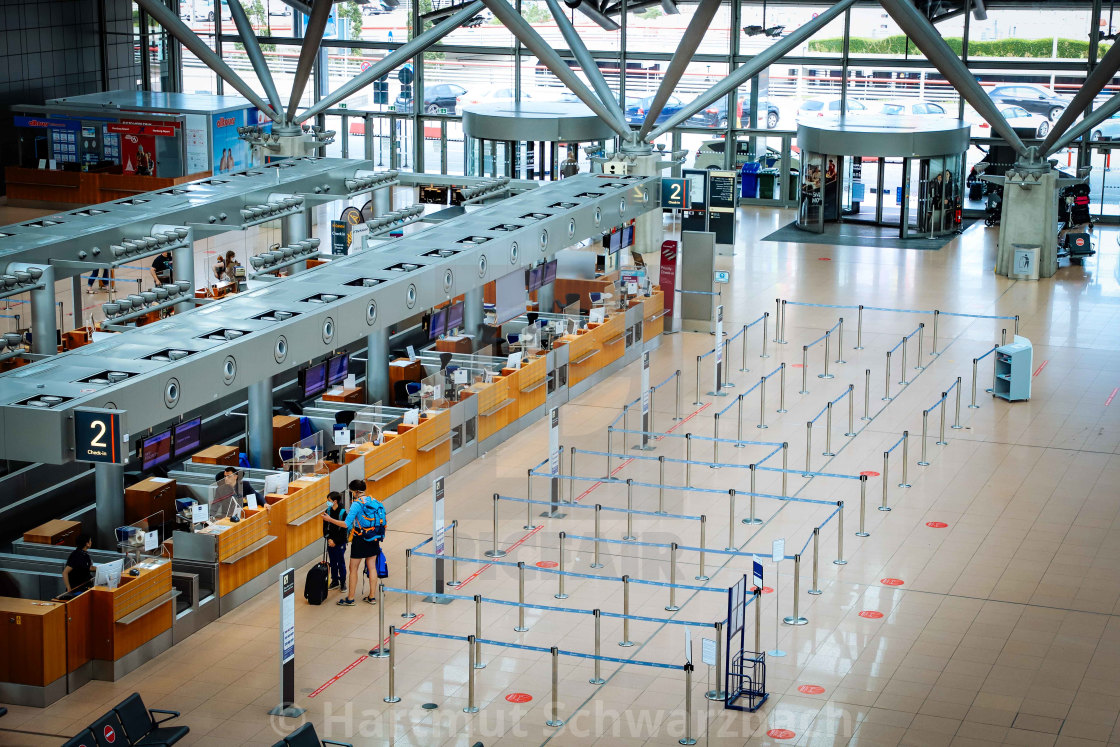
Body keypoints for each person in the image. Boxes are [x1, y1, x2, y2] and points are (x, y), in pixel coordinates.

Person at [321, 479, 386, 606]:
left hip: (360, 539)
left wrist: (329, 519)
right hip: (374, 537)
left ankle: (350, 598)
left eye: (351, 492)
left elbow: (346, 524)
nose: (351, 494)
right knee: (372, 566)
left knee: (353, 568)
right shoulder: (373, 500)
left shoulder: (356, 504)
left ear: (356, 492)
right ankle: (372, 597)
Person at [323, 491, 348, 592]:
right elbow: (325, 528)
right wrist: (329, 539)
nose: (327, 503)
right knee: (332, 562)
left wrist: (335, 542)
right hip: (330, 541)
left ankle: (343, 582)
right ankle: (334, 581)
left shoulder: (343, 513)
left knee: (340, 562)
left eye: (329, 501)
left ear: (335, 501)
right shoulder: (327, 511)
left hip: (340, 542)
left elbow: (344, 530)